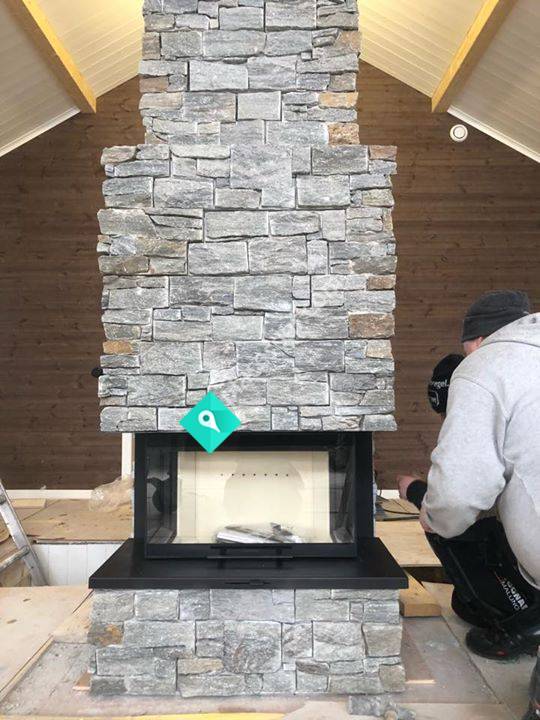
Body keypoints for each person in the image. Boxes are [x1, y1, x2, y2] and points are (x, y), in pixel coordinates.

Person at [399, 352, 537, 631]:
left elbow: (459, 503)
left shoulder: (486, 423)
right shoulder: (518, 405)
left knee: (443, 525)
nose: (445, 423)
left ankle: (513, 618)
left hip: (529, 576)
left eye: (447, 415)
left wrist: (414, 490)